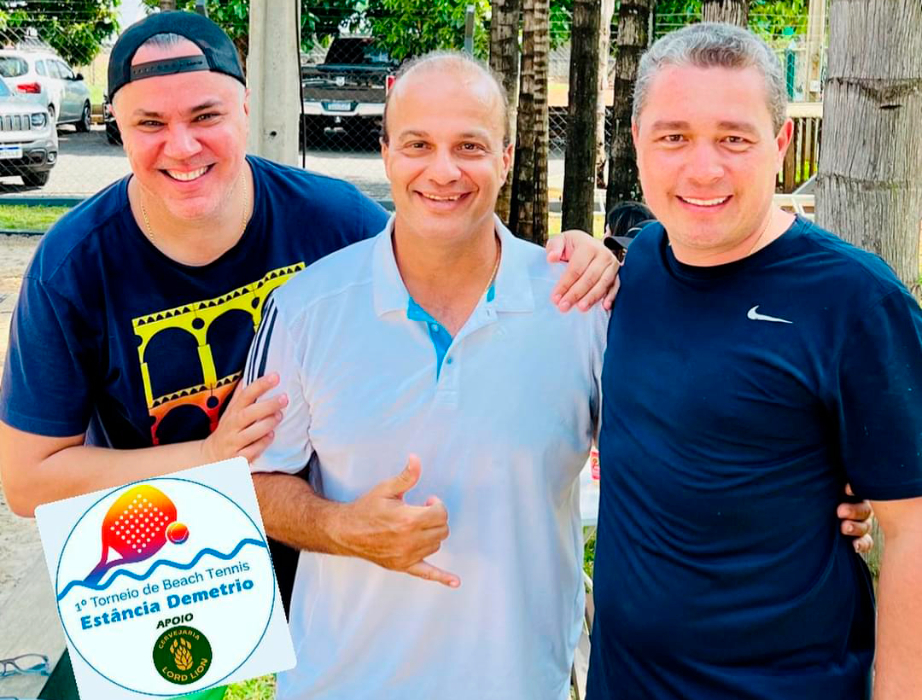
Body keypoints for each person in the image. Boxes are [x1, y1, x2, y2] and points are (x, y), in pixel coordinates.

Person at [0, 13, 617, 697]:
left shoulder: (332, 219)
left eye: (206, 114)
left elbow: (440, 237)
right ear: (115, 123)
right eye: (150, 123)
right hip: (166, 549)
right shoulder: (75, 266)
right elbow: (28, 483)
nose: (182, 145)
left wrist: (584, 261)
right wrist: (209, 460)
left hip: (361, 577)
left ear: (243, 108)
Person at [243, 50, 872, 700]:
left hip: (523, 683)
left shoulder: (578, 304)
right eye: (418, 145)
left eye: (471, 145)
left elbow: (680, 440)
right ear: (385, 153)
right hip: (340, 684)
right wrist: (342, 529)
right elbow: (253, 481)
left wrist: (818, 489)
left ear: (509, 156)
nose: (443, 170)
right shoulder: (306, 309)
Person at [587, 22, 922, 699]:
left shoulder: (855, 299)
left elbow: (913, 527)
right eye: (673, 136)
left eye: (734, 138)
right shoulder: (638, 264)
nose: (703, 168)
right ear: (637, 143)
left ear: (780, 143)